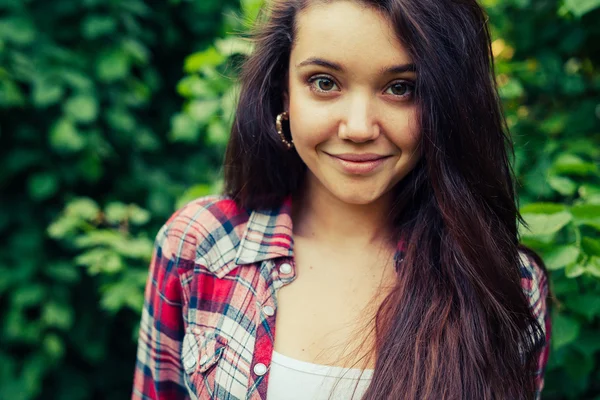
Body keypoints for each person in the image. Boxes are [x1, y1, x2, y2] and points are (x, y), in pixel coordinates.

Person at [132, 0, 551, 399]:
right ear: (284, 94)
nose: (358, 127)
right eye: (325, 83)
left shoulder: (506, 283)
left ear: (449, 104)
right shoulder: (201, 246)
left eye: (401, 88)